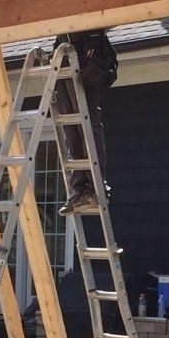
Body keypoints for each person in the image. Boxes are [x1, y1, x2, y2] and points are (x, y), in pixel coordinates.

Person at [55, 29, 117, 216]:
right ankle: (79, 190)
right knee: (70, 125)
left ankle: (94, 188)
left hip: (87, 47)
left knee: (87, 123)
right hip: (63, 48)